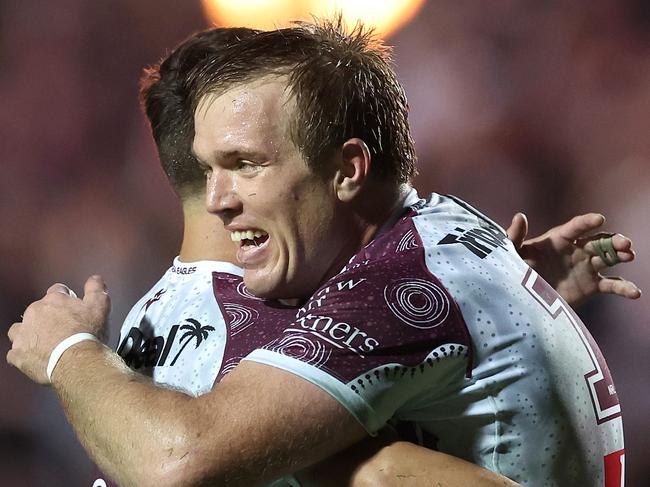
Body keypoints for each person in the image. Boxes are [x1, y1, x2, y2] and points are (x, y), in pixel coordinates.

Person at [7, 20, 640, 487]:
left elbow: (177, 460)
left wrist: (67, 351)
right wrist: (511, 290)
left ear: (348, 170)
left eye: (247, 164)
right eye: (213, 169)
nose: (223, 200)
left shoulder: (279, 325)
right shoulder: (451, 226)